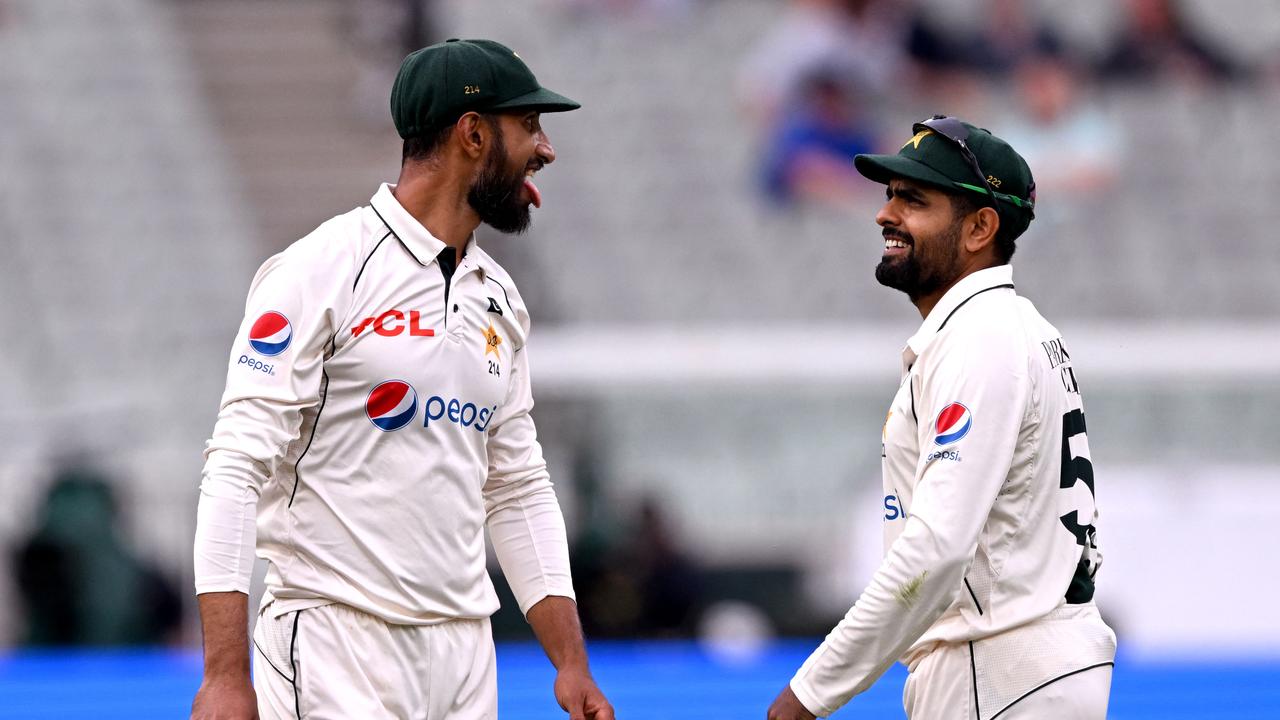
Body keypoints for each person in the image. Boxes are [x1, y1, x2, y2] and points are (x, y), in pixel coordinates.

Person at [190, 38, 615, 720]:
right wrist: (224, 675)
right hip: (336, 642)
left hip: (464, 658)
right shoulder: (321, 268)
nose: (546, 149)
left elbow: (516, 484)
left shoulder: (499, 298)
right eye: (529, 126)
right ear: (473, 134)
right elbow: (235, 467)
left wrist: (570, 662)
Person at [767, 116, 1115, 719]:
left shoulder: (979, 337)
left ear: (981, 226)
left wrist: (809, 692)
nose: (885, 214)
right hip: (1032, 666)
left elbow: (936, 548)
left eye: (914, 200)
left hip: (999, 667)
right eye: (890, 196)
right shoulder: (1017, 328)